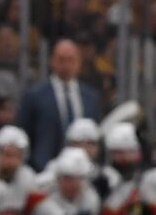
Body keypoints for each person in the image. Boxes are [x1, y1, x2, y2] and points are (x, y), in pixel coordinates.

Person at [17, 39, 105, 167]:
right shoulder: (35, 96)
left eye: (71, 60)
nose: (66, 66)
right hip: (44, 168)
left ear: (79, 62)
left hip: (82, 170)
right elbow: (25, 133)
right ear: (52, 61)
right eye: (61, 60)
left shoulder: (91, 97)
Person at [29, 148, 103, 215]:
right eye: (68, 178)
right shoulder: (43, 191)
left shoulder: (91, 196)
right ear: (58, 178)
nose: (73, 184)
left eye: (78, 178)